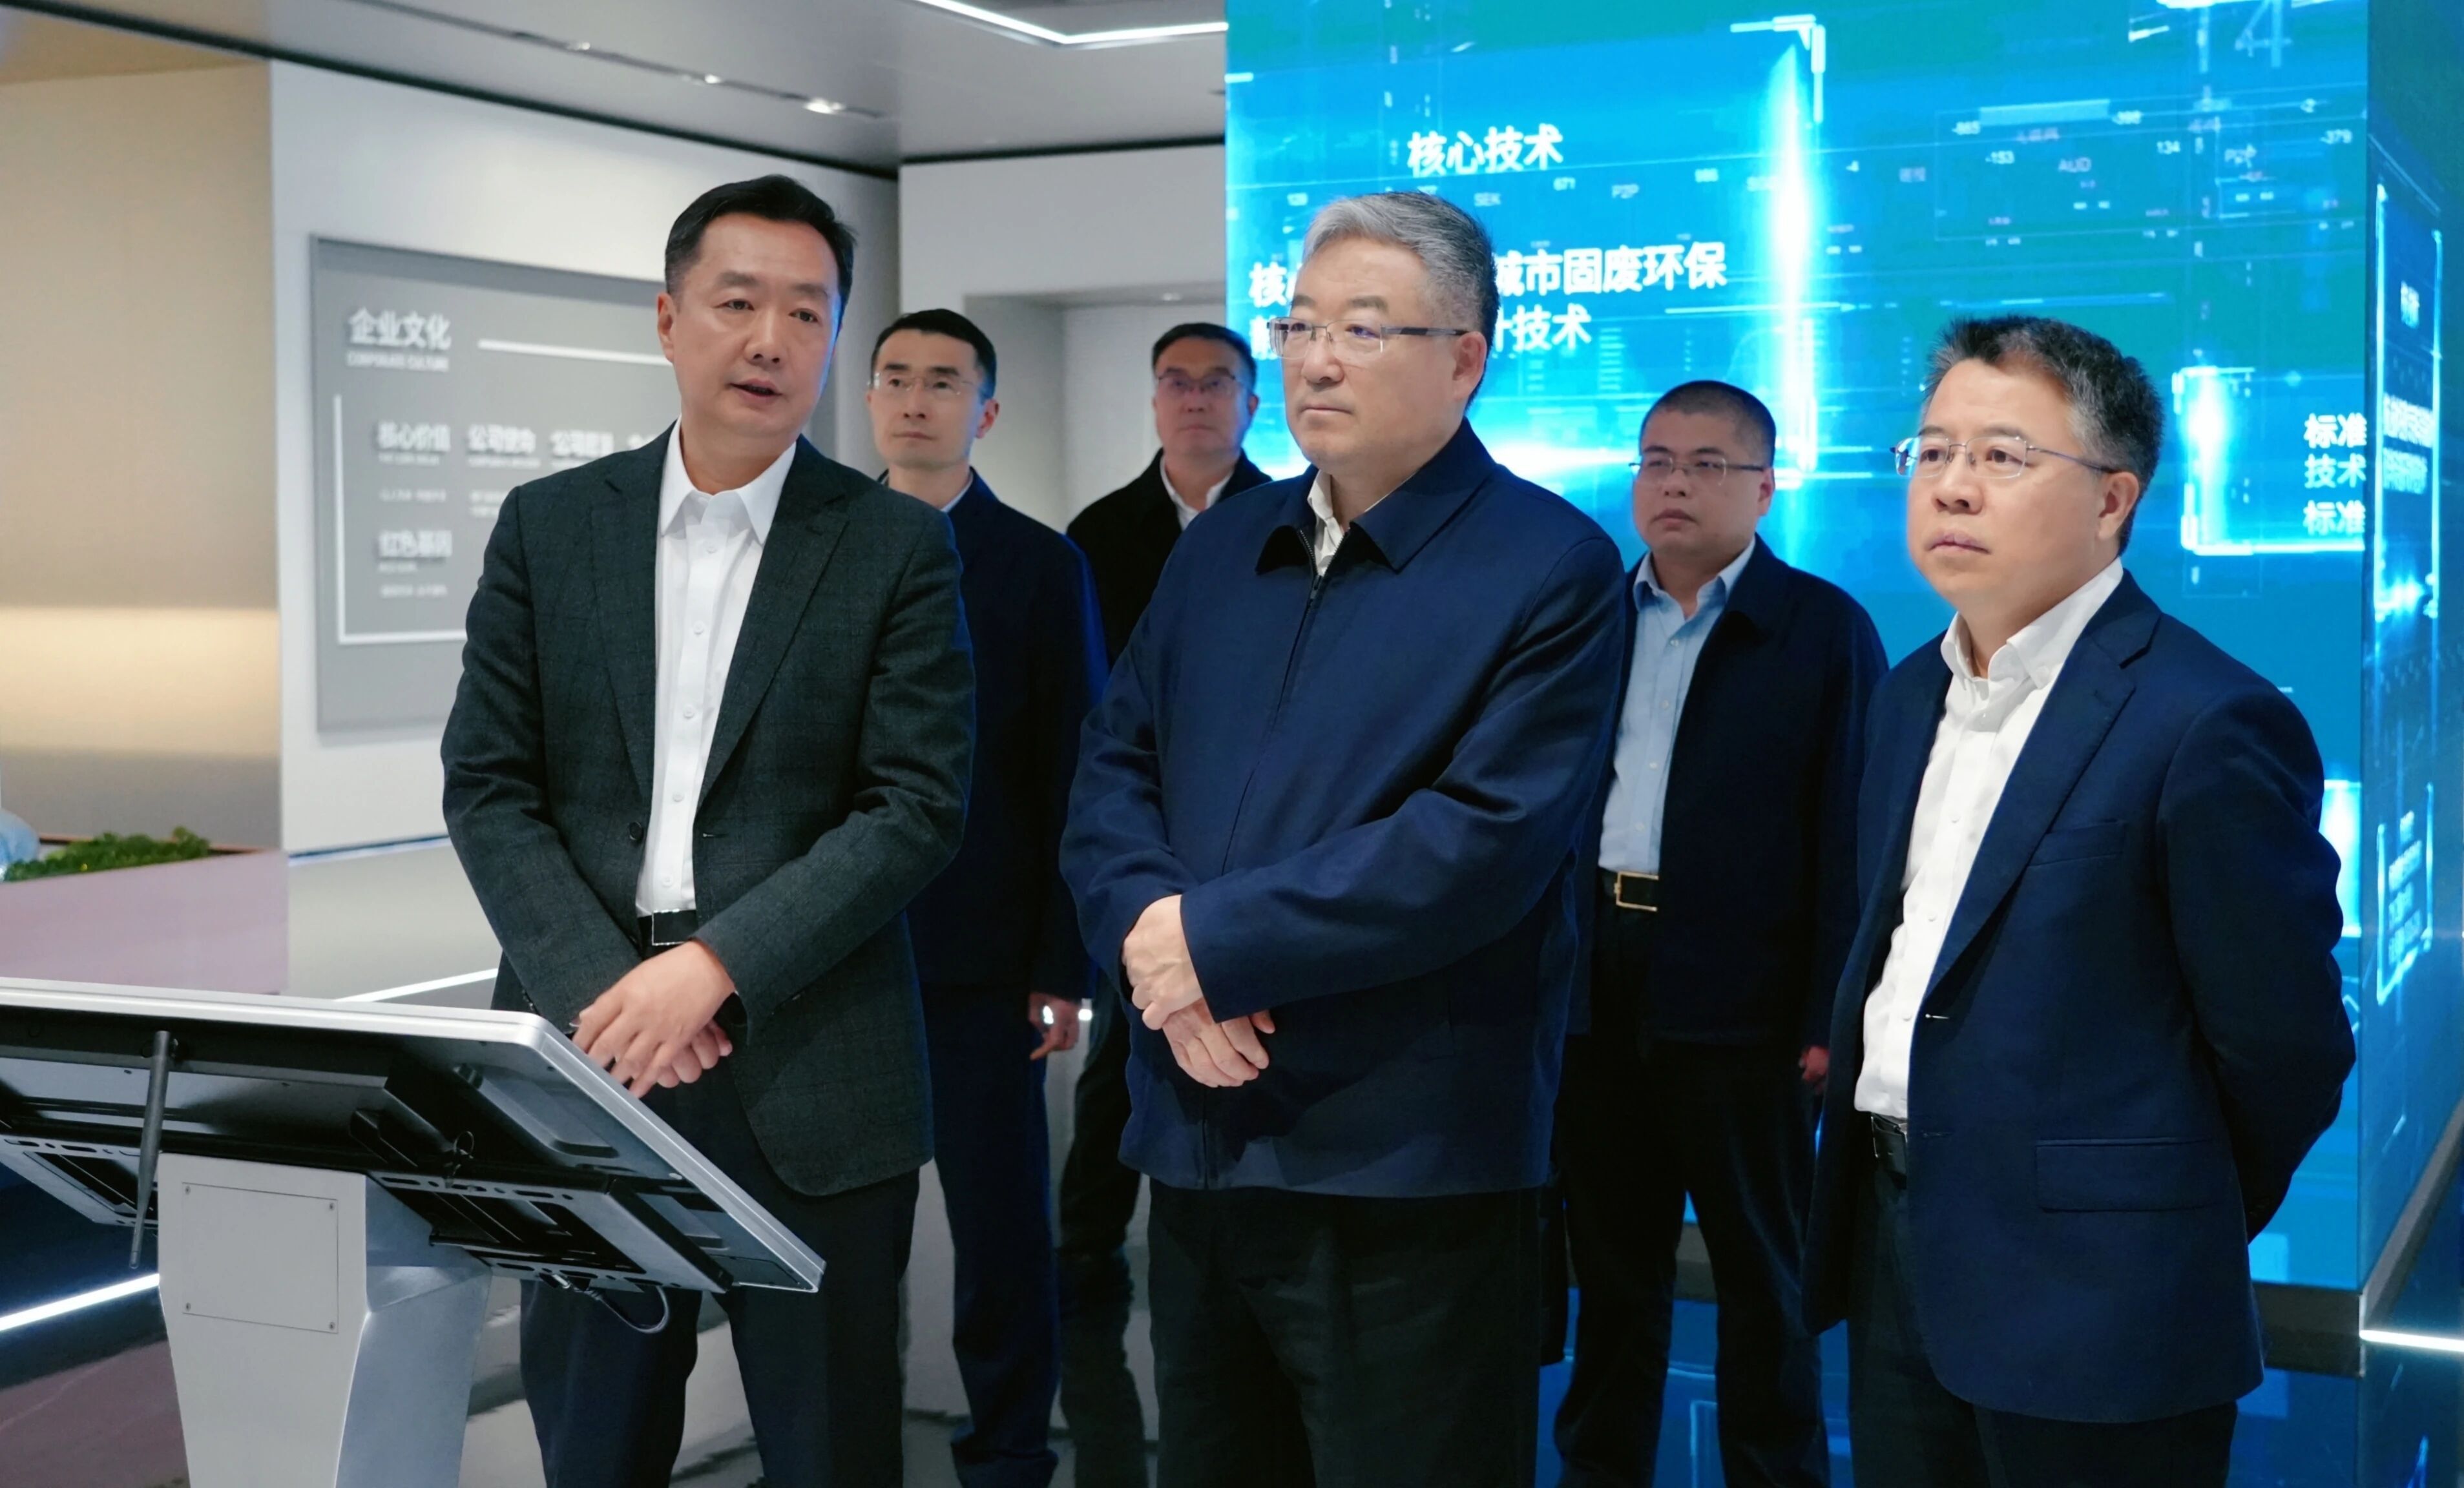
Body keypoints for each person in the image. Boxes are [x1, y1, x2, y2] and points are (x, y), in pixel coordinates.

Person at [1060, 191, 1628, 1488]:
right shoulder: (1224, 548)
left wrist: (1213, 947)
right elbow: (1114, 766)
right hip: (1198, 1137)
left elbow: (1478, 844)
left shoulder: (1548, 565)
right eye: (1300, 325)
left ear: (1464, 359)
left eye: (1362, 329)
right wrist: (1157, 950)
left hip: (1404, 1163)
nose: (1315, 360)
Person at [441, 174, 973, 1488]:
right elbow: (488, 783)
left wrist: (714, 969)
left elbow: (914, 807)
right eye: (738, 303)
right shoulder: (552, 527)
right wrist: (608, 991)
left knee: (831, 1449)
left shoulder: (892, 545)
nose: (770, 340)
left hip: (812, 1056)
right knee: (595, 1443)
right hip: (590, 1055)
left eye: (807, 312)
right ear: (669, 319)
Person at [1801, 315, 2354, 1487]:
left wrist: (2153, 1215)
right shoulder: (1904, 697)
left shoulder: (2204, 719)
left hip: (2103, 1299)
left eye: (2001, 455)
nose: (1951, 485)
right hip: (1897, 1246)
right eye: (1932, 451)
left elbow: (2285, 1046)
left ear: (2112, 500)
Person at [1556, 382, 1883, 1487]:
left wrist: (1829, 1012)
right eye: (1656, 461)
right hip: (1597, 978)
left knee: (1762, 1274)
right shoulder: (1589, 618)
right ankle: (1600, 1469)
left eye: (1706, 464)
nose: (1675, 484)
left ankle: (1774, 1472)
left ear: (1764, 487)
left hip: (1747, 996)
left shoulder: (1819, 627)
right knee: (1612, 1268)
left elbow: (1850, 834)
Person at [866, 307, 1106, 1488]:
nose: (915, 401)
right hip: (828, 955)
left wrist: (1061, 962)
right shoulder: (816, 542)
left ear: (986, 410)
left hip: (982, 957)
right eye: (895, 378)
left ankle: (1007, 1453)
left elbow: (1073, 768)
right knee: (840, 1232)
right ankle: (837, 1446)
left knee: (1000, 1228)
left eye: (943, 382)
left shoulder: (1039, 564)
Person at [1053, 320, 1272, 1486]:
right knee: (1118, 1063)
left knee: (1242, 1046)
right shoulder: (1100, 533)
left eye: (1216, 383)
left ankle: (1236, 1243)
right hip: (1138, 851)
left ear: (1249, 400)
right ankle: (1088, 1249)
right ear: (1153, 401)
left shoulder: (1287, 520)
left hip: (1249, 847)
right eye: (1175, 383)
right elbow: (1096, 722)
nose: (1194, 401)